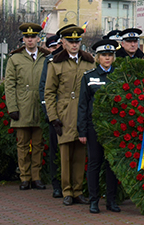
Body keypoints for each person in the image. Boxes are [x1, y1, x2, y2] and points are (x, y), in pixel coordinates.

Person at [44, 26, 94, 206]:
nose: (74, 45)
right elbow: (49, 92)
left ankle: (78, 190)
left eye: (77, 41)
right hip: (64, 113)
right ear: (63, 43)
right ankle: (67, 191)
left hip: (82, 114)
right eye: (71, 41)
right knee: (65, 154)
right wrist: (53, 117)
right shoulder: (55, 63)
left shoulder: (89, 62)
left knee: (80, 154)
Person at [77, 39, 120, 214]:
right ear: (97, 57)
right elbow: (83, 105)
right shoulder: (89, 77)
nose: (107, 58)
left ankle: (111, 201)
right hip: (94, 128)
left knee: (112, 166)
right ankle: (94, 201)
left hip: (114, 130)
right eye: (104, 55)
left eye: (110, 55)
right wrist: (82, 131)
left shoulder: (119, 76)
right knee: (94, 164)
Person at [4, 23, 49, 191]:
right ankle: (24, 177)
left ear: (38, 39)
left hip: (39, 106)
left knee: (38, 144)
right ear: (23, 39)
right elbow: (9, 85)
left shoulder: (46, 58)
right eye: (27, 37)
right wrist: (12, 108)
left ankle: (36, 177)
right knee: (22, 145)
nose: (30, 40)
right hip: (22, 107)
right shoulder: (15, 59)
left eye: (33, 37)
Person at [39, 31, 64, 198]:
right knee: (55, 151)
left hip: (73, 114)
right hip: (56, 115)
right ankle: (56, 184)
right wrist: (50, 114)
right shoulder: (50, 61)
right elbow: (44, 89)